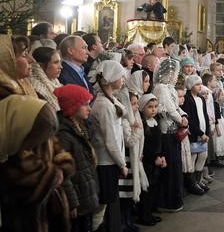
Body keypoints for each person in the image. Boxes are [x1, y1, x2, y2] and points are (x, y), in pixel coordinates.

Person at [0, 94, 75, 232]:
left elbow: (66, 161)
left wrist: (56, 173)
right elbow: (26, 184)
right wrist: (54, 174)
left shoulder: (42, 131)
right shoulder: (8, 151)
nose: (42, 141)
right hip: (24, 220)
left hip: (50, 213)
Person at [89, 60, 128, 232]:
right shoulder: (104, 105)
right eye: (120, 76)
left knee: (108, 202)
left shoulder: (109, 99)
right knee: (103, 204)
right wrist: (121, 163)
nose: (123, 79)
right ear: (111, 78)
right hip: (106, 161)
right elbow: (110, 140)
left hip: (111, 160)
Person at [55, 84, 99, 232]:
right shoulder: (64, 135)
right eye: (85, 104)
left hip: (85, 194)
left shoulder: (82, 128)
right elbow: (63, 173)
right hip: (77, 199)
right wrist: (72, 202)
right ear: (72, 107)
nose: (89, 108)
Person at [152, 58, 187, 212]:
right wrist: (181, 120)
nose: (174, 75)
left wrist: (184, 116)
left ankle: (176, 198)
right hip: (166, 131)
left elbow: (176, 107)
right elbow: (168, 109)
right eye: (173, 72)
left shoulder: (170, 88)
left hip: (174, 131)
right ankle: (167, 201)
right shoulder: (160, 88)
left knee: (176, 165)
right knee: (170, 168)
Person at [117, 70, 148, 232]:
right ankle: (123, 223)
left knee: (130, 197)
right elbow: (129, 141)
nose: (136, 106)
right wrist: (136, 130)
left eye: (136, 103)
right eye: (133, 104)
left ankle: (128, 221)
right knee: (125, 196)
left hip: (136, 158)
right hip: (128, 160)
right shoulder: (125, 121)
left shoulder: (134, 118)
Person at [137, 94, 165, 227]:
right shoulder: (142, 124)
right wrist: (154, 158)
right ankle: (144, 215)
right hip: (147, 161)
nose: (153, 110)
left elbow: (159, 142)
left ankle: (150, 212)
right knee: (146, 190)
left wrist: (162, 156)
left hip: (157, 160)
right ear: (142, 108)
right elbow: (145, 146)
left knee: (154, 187)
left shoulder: (155, 121)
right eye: (150, 107)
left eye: (155, 107)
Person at [181, 75, 210, 195]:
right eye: (197, 84)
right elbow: (191, 119)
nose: (200, 86)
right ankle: (191, 184)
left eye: (200, 84)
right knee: (192, 158)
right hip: (194, 134)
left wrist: (206, 132)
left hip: (203, 133)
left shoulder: (201, 99)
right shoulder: (188, 99)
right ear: (190, 86)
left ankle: (198, 181)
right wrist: (200, 133)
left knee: (203, 155)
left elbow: (205, 116)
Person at [30, 46, 63, 113]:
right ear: (41, 66)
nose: (61, 67)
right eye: (56, 62)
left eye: (60, 62)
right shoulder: (37, 88)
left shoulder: (54, 81)